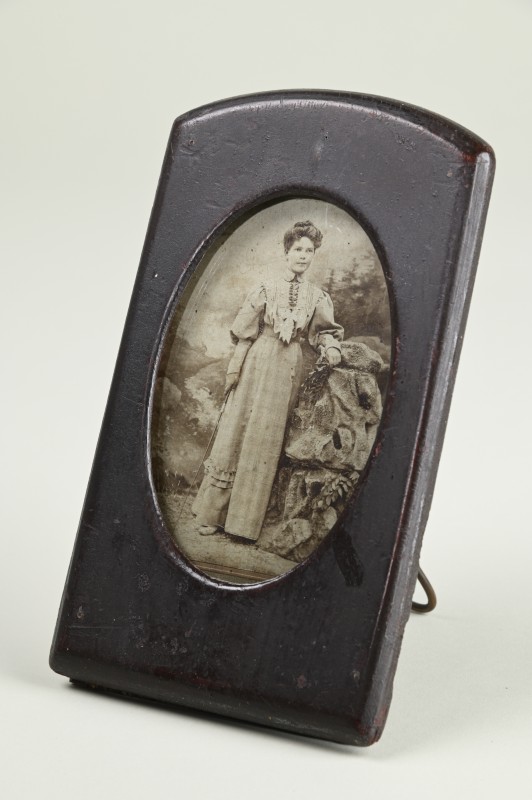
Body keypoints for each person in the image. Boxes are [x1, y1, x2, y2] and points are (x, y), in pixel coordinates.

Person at [191, 220, 343, 542]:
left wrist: (330, 347)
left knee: (266, 440)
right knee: (237, 430)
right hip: (257, 363)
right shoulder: (265, 288)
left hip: (287, 369)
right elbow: (244, 334)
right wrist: (234, 370)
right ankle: (212, 515)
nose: (303, 256)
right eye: (298, 249)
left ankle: (242, 525)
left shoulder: (317, 297)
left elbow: (324, 332)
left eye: (309, 251)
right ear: (286, 252)